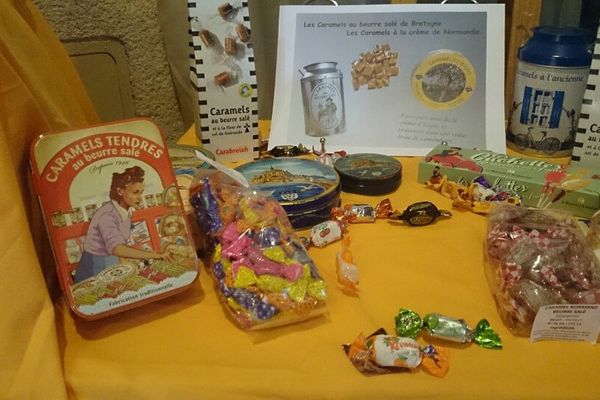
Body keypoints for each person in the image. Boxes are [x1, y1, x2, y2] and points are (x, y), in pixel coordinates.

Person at [73, 166, 175, 283]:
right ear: (120, 191)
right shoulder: (107, 215)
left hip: (111, 261)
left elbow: (118, 245)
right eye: (135, 192)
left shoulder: (125, 210)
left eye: (141, 193)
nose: (140, 198)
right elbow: (117, 248)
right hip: (94, 267)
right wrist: (155, 255)